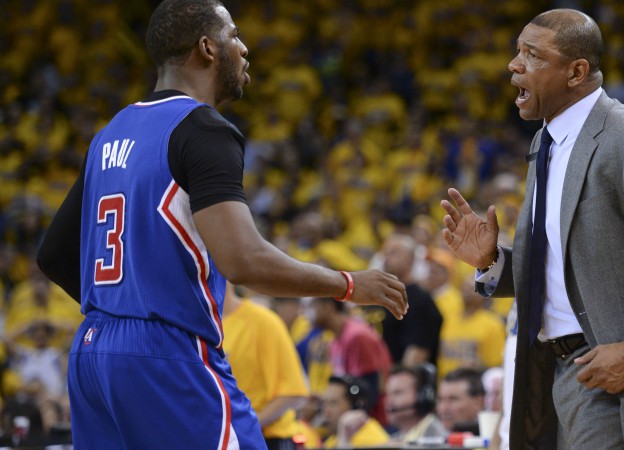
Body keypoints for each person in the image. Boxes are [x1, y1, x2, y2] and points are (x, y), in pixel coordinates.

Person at [35, 1, 407, 448]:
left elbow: (53, 255)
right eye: (235, 36)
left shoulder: (110, 133)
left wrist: (124, 308)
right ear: (208, 48)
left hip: (92, 350)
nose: (245, 48)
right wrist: (348, 283)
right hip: (164, 351)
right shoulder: (202, 128)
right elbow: (244, 261)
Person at [440, 8, 624, 449]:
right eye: (517, 51)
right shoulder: (546, 142)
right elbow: (569, 271)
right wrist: (493, 262)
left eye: (532, 55)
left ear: (576, 71)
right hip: (559, 374)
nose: (513, 64)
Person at [221, 283, 310, 450]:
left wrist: (247, 426)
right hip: (226, 439)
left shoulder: (263, 322)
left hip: (268, 438)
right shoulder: (200, 326)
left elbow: (292, 393)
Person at [311, 297, 393, 416]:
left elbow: (369, 391)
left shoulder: (357, 336)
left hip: (373, 420)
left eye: (312, 306)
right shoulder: (334, 341)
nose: (306, 313)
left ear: (328, 307)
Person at [380, 233, 443, 366]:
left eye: (393, 253)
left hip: (401, 379)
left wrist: (395, 383)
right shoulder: (380, 295)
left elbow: (417, 352)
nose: (386, 257)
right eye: (385, 252)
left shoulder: (420, 299)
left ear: (410, 259)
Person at [320, 375, 390, 448]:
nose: (326, 411)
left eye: (333, 403)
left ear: (356, 407)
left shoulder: (370, 439)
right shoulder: (333, 439)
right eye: (323, 403)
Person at [384, 364, 447, 444]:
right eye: (387, 394)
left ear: (422, 397)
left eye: (397, 393)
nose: (388, 400)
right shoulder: (394, 439)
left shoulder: (439, 439)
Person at [435, 367, 484, 435]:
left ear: (478, 403)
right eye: (440, 399)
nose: (444, 408)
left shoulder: (495, 438)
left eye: (453, 399)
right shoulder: (428, 437)